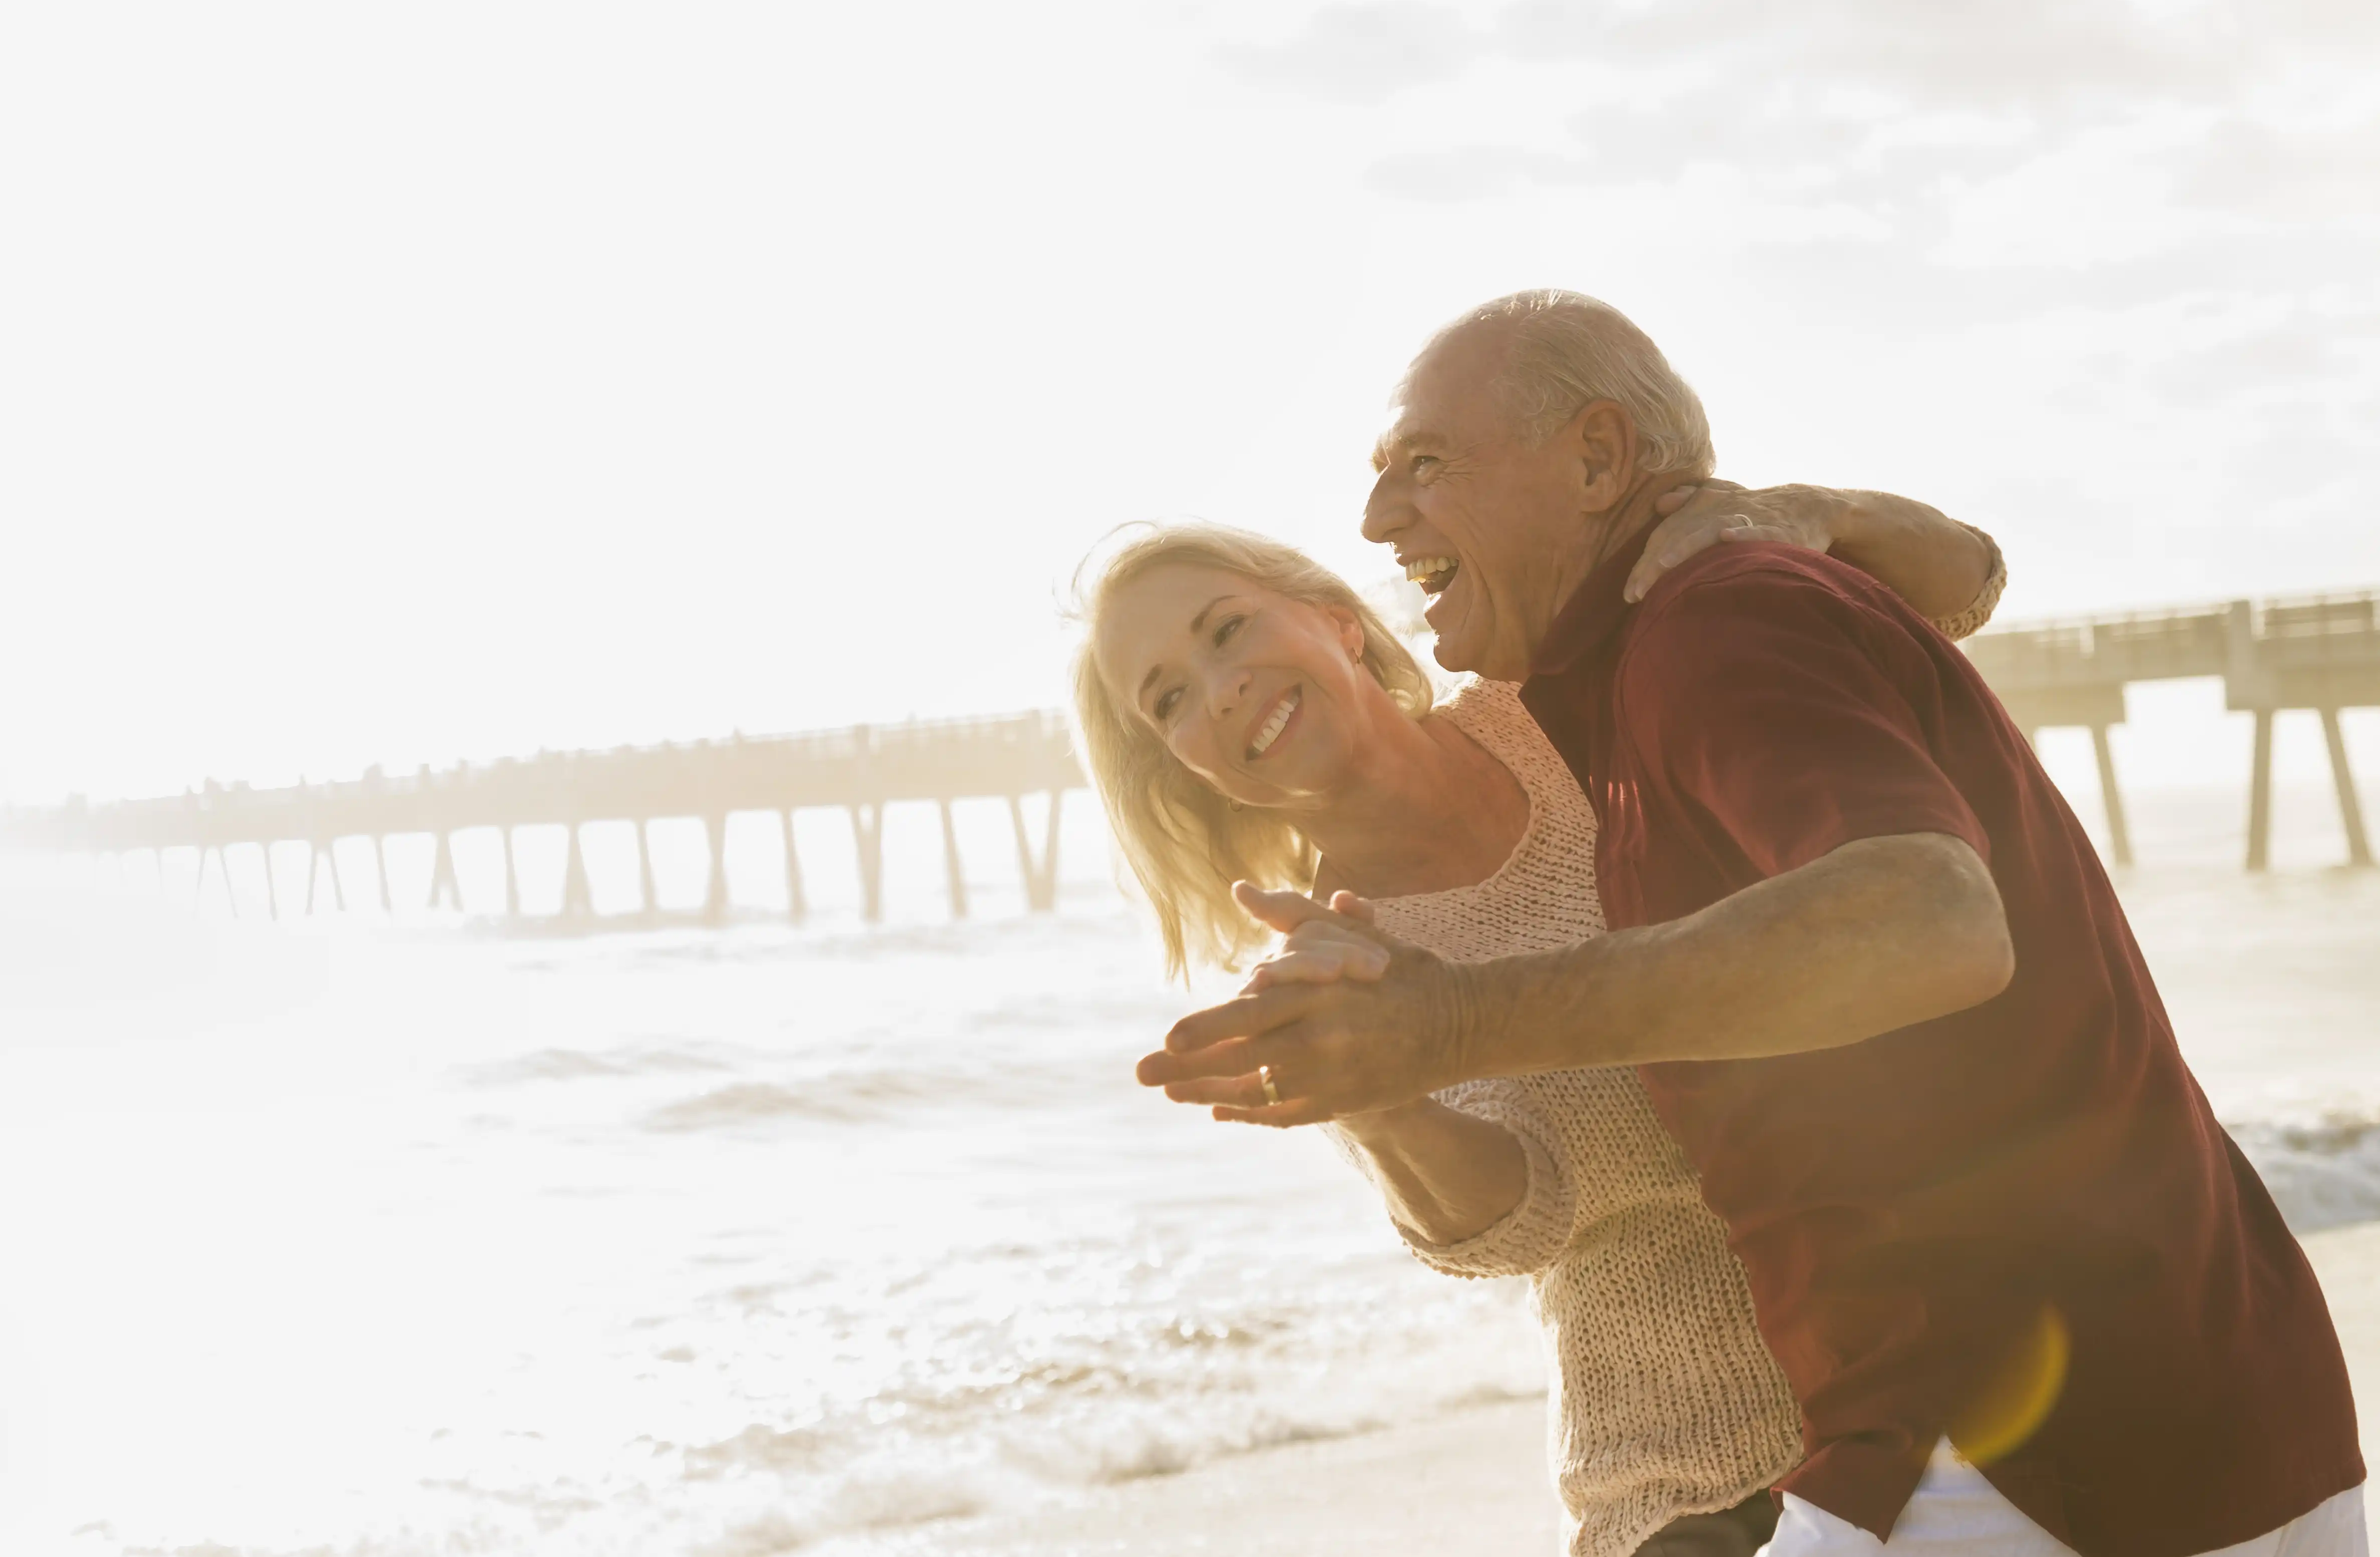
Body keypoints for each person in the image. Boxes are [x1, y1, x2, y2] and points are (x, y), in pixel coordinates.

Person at [1139, 291, 2365, 1556]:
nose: (1378, 517)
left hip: (2008, 1428)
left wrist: (1446, 1022)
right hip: (2045, 1406)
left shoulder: (1690, 635)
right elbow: (1522, 1218)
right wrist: (1382, 1079)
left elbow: (1932, 914)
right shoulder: (1595, 696)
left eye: (1425, 466)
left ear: (1600, 459)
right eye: (1164, 699)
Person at [1073, 481, 2004, 1556]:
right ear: (1185, 763)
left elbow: (1954, 588)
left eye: (1226, 629)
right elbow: (1521, 1219)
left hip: (1950, 1381)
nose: (1218, 689)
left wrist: (1806, 513)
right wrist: (1379, 1102)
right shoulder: (1329, 959)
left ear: (1330, 615)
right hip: (1700, 1483)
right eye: (1169, 700)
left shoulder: (1563, 703)